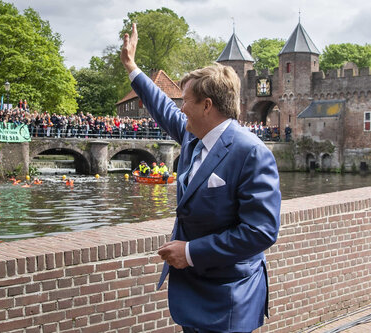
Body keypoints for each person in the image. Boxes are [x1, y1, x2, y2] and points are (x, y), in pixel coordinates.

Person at [120, 23, 281, 333]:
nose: (181, 109)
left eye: (187, 102)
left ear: (207, 106)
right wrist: (132, 67)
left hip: (228, 294)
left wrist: (190, 252)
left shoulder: (251, 153)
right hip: (193, 289)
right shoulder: (194, 136)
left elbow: (260, 232)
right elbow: (162, 107)